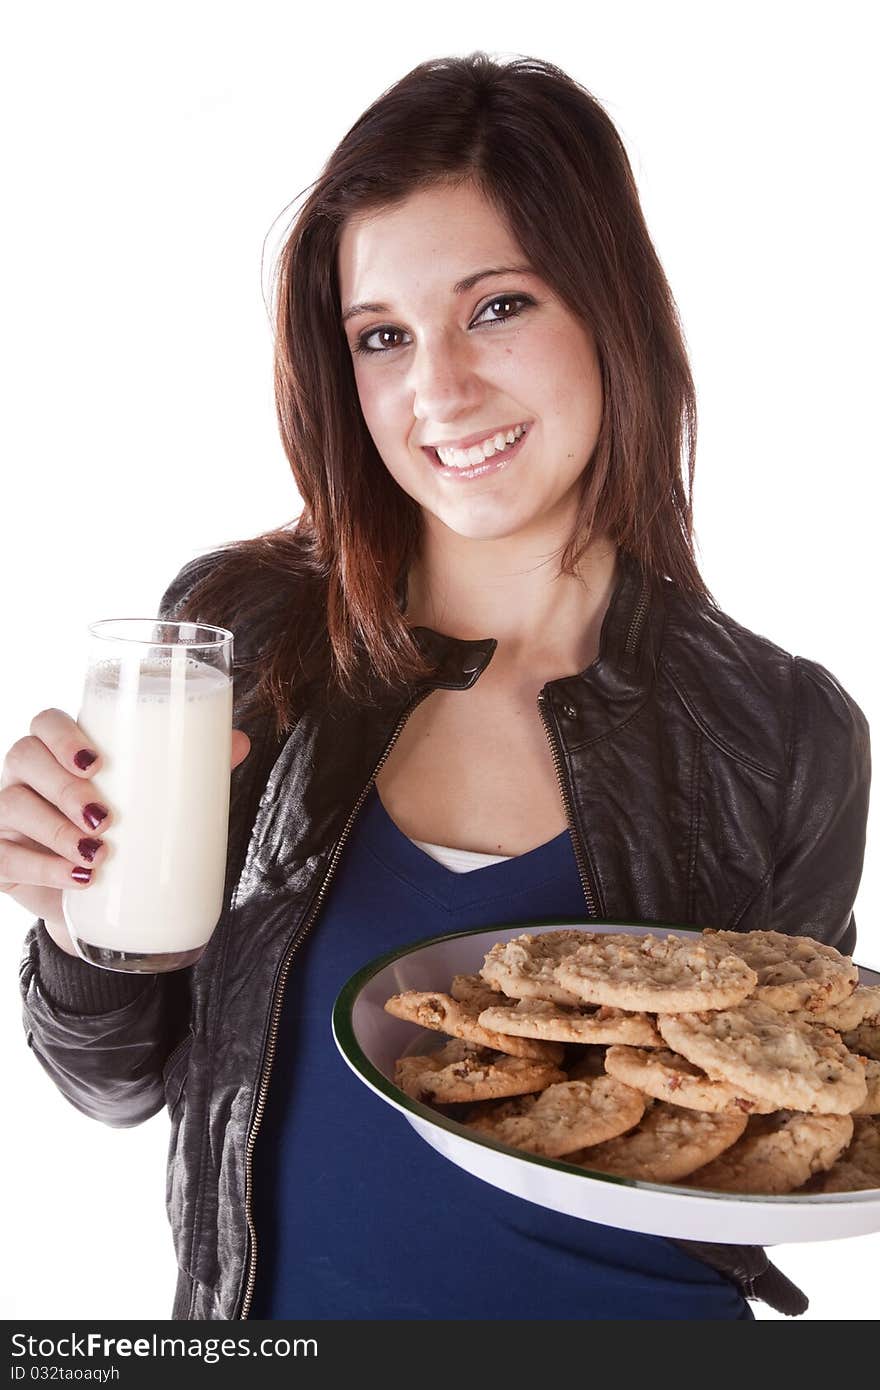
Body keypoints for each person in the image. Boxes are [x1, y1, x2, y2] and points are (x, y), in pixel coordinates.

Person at [9, 52, 871, 1321]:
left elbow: (787, 1123)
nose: (438, 389)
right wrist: (84, 928)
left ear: (609, 308)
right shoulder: (245, 638)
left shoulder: (786, 733)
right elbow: (115, 1084)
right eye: (382, 336)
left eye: (498, 307)